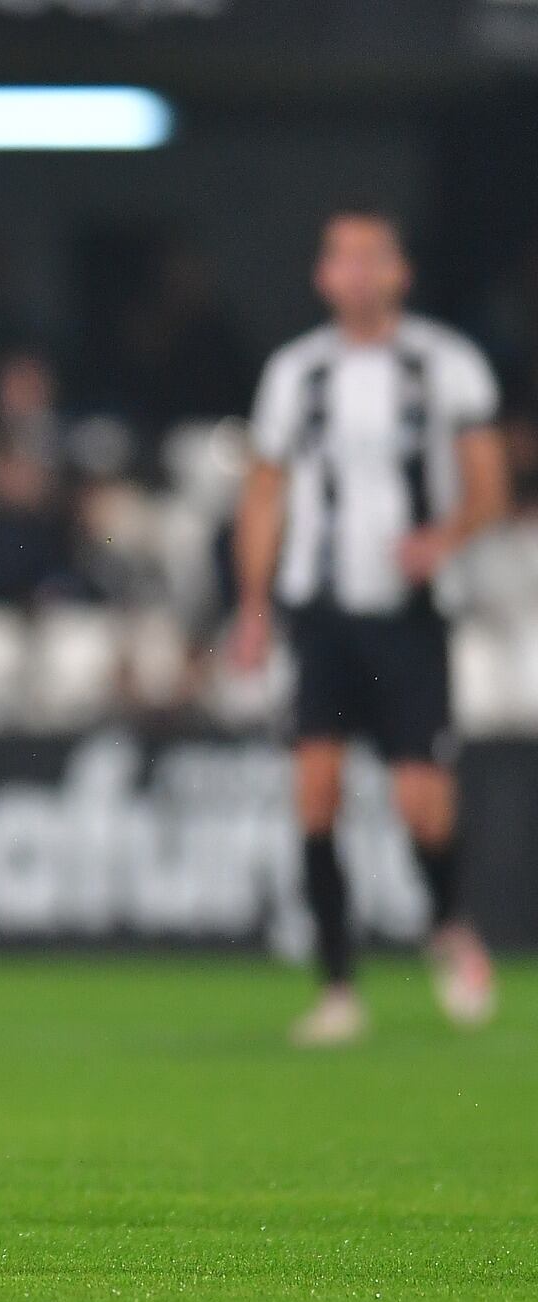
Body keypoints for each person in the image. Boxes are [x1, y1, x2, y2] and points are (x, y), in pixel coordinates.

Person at [232, 208, 509, 1046]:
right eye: (339, 258)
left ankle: (450, 921)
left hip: (411, 613)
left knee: (420, 799)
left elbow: (488, 484)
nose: (354, 272)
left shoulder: (445, 365)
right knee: (314, 789)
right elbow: (264, 492)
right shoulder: (293, 374)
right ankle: (339, 986)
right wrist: (253, 604)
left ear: (399, 273)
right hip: (320, 612)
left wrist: (446, 537)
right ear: (322, 276)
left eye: (370, 257)